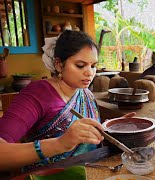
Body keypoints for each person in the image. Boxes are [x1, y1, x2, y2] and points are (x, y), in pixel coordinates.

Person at [0, 30, 134, 172]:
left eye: (93, 65)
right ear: (59, 64)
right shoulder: (37, 94)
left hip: (90, 171)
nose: (89, 73)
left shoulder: (85, 93)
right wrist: (60, 144)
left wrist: (111, 128)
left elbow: (87, 140)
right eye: (80, 65)